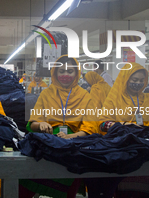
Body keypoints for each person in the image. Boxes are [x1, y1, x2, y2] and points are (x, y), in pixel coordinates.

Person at [20, 55, 99, 198]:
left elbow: (90, 128)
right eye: (61, 71)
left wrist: (71, 137)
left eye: (70, 71)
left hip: (73, 146)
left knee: (68, 185)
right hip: (47, 143)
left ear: (77, 73)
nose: (65, 75)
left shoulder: (85, 96)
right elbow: (32, 124)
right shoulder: (46, 93)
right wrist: (41, 124)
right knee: (28, 182)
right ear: (55, 73)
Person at [99, 62, 149, 198]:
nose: (138, 83)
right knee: (126, 188)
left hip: (146, 149)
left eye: (141, 80)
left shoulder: (147, 99)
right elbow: (102, 123)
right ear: (126, 79)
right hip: (124, 149)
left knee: (148, 188)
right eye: (134, 80)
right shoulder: (113, 99)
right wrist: (121, 126)